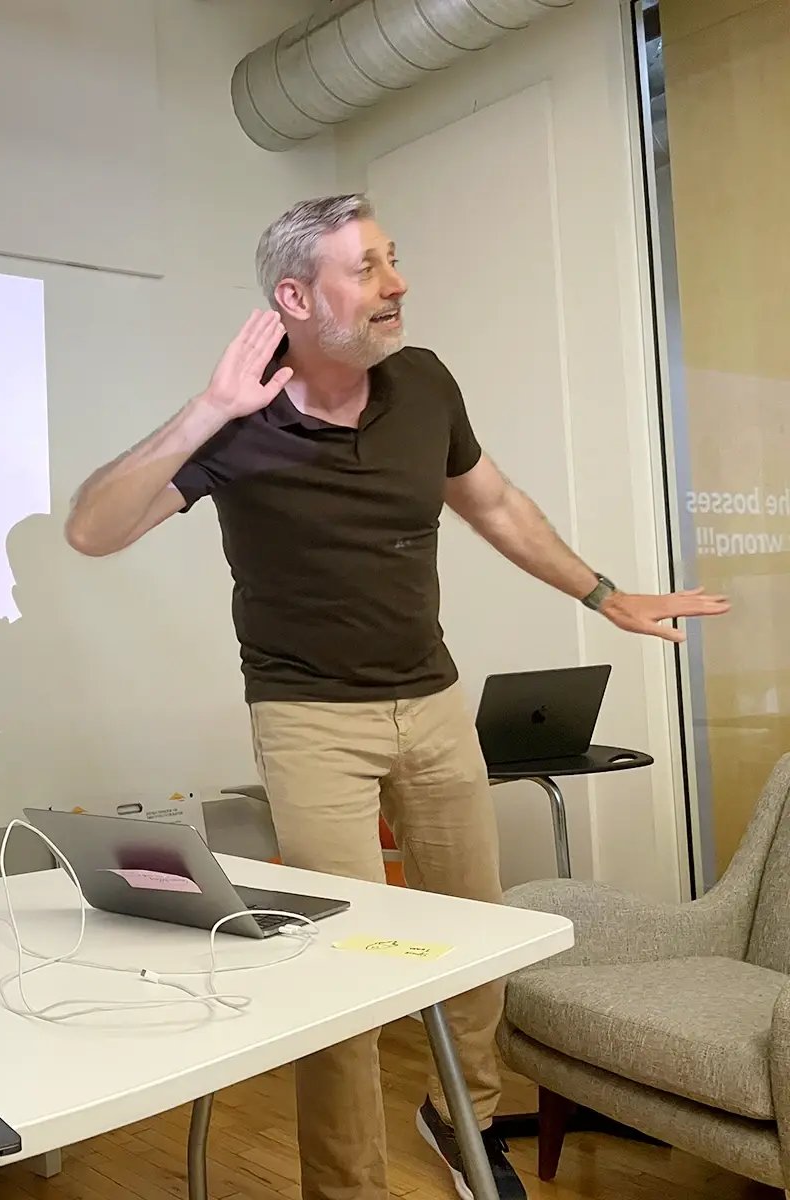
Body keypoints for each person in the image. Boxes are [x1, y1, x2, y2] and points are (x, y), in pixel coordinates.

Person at [63, 193, 728, 1200]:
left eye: (393, 259)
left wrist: (603, 593)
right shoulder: (238, 427)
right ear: (296, 296)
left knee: (477, 934)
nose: (397, 283)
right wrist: (207, 410)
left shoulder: (422, 384)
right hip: (307, 720)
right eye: (367, 268)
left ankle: (460, 1116)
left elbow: (493, 503)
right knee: (337, 971)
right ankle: (347, 1188)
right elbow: (92, 530)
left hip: (431, 702)